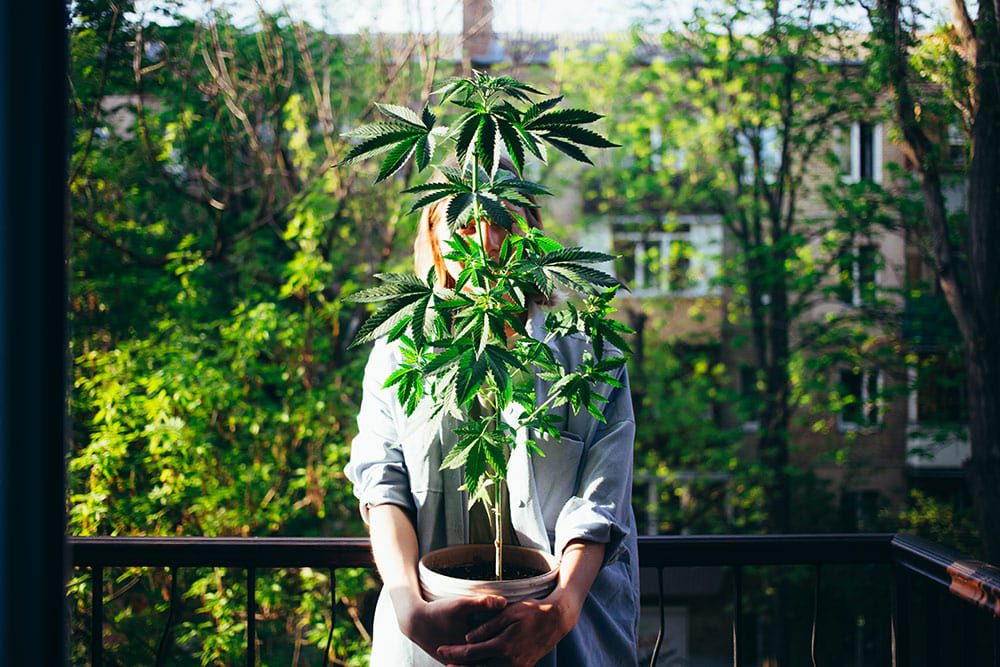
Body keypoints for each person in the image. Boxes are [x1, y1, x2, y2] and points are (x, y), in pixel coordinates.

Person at [345, 175, 640, 666]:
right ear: (434, 244)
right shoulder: (401, 348)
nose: (485, 239)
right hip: (430, 627)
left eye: (502, 220)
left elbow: (599, 503)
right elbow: (382, 483)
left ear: (532, 234)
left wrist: (559, 611)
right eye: (462, 224)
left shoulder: (589, 354)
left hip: (564, 631)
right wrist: (408, 609)